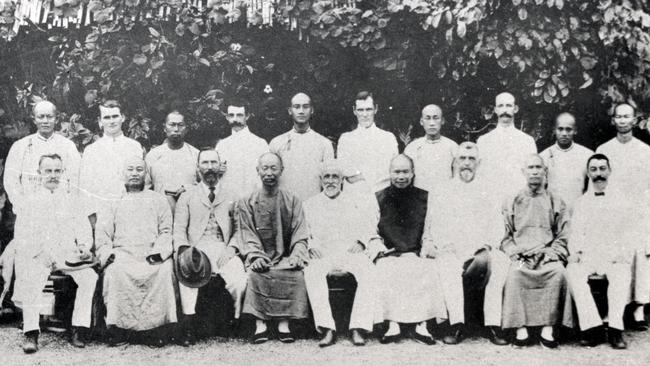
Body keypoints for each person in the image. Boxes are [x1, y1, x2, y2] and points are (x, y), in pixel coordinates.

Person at [421, 142, 509, 345]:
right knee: (447, 265)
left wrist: (486, 245)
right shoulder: (443, 189)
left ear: (478, 163)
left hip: (482, 248)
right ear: (454, 162)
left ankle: (493, 324)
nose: (466, 163)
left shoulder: (489, 189)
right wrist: (445, 245)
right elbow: (434, 223)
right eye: (462, 159)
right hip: (452, 248)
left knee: (501, 263)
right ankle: (457, 324)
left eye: (471, 159)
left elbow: (497, 224)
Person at [11, 154, 97, 353]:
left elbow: (83, 230)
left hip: (67, 255)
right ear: (39, 172)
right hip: (39, 255)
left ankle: (78, 328)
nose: (52, 175)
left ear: (62, 172)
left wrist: (84, 246)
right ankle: (31, 332)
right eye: (48, 171)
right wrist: (39, 254)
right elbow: (22, 235)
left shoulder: (72, 199)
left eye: (57, 171)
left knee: (89, 277)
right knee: (32, 278)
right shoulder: (29, 201)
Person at [566, 154, 646, 349]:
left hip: (613, 254)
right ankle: (592, 327)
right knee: (572, 272)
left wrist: (623, 253)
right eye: (594, 169)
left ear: (609, 171)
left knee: (620, 272)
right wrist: (575, 253)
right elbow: (576, 232)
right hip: (589, 255)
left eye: (602, 168)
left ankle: (615, 329)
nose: (599, 173)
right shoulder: (581, 202)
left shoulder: (623, 201)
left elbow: (630, 232)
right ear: (588, 173)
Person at [96, 156, 176, 346]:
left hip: (151, 254)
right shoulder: (112, 201)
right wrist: (109, 253)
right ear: (123, 173)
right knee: (116, 272)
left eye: (139, 169)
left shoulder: (158, 200)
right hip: (122, 254)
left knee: (163, 271)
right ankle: (119, 330)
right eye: (130, 169)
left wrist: (158, 253)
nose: (134, 173)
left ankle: (154, 330)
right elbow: (103, 233)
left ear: (146, 174)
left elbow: (166, 231)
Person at [303, 159, 382, 347]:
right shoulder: (310, 204)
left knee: (369, 271)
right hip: (323, 253)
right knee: (312, 272)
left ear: (342, 181)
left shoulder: (354, 202)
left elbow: (367, 226)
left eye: (335, 177)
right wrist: (311, 245)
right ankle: (327, 328)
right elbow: (304, 231)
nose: (331, 181)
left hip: (349, 252)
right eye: (327, 177)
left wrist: (361, 241)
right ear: (321, 180)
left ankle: (358, 327)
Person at [173, 149, 247, 346]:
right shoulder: (187, 196)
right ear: (198, 168)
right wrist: (184, 251)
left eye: (213, 163)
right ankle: (188, 323)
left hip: (223, 247)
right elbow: (179, 229)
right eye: (205, 163)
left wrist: (232, 249)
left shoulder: (232, 194)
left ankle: (237, 320)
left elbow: (240, 229)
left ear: (220, 166)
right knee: (187, 275)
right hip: (196, 249)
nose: (209, 167)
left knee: (238, 280)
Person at [235, 152, 311, 344]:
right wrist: (255, 255)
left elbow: (299, 232)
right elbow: (247, 233)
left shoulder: (292, 199)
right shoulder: (246, 201)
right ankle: (260, 324)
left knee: (294, 272)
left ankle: (283, 323)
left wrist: (296, 254)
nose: (269, 173)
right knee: (256, 273)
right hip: (259, 255)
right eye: (265, 168)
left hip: (285, 256)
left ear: (281, 171)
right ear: (258, 171)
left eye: (274, 168)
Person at [501, 154, 573, 348]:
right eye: (530, 167)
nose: (534, 171)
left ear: (545, 171)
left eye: (538, 167)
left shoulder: (556, 199)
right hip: (522, 256)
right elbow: (505, 234)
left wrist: (555, 251)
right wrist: (513, 250)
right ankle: (520, 328)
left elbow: (564, 233)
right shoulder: (512, 199)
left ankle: (548, 327)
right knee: (515, 275)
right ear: (523, 172)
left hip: (547, 254)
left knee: (558, 273)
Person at [374, 154, 447, 345]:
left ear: (413, 173)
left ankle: (422, 325)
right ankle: (393, 324)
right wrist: (380, 248)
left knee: (427, 267)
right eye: (396, 171)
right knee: (386, 267)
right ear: (389, 173)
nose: (401, 176)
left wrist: (427, 245)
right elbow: (372, 229)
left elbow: (430, 228)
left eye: (405, 171)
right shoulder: (378, 197)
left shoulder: (425, 196)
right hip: (390, 253)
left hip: (416, 251)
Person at [596, 103, 650, 326]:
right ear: (613, 120)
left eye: (627, 116)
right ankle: (614, 308)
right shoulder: (604, 149)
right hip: (614, 212)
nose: (623, 120)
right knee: (616, 257)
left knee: (641, 258)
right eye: (618, 117)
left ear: (634, 120)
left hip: (639, 211)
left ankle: (639, 308)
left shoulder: (645, 151)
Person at [3, 101, 81, 213]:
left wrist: (69, 205)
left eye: (49, 117)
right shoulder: (20, 146)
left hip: (61, 210)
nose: (45, 121)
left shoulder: (68, 146)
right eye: (41, 117)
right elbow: (11, 181)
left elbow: (76, 178)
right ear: (34, 119)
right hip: (30, 211)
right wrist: (22, 205)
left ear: (56, 119)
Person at [79, 100, 145, 228]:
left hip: (130, 213)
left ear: (123, 118)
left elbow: (142, 182)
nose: (111, 121)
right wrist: (93, 219)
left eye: (115, 116)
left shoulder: (135, 147)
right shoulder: (91, 150)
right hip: (101, 216)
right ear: (100, 121)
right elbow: (85, 188)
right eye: (107, 117)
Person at [269, 93, 334, 201]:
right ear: (290, 110)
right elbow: (270, 178)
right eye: (296, 107)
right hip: (285, 206)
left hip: (315, 206)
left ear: (312, 110)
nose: (301, 111)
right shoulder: (277, 143)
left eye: (305, 106)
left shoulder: (324, 144)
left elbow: (330, 179)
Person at [477, 92, 537, 201]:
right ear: (495, 110)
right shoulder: (484, 141)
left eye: (508, 105)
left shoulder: (527, 141)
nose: (505, 110)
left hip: (519, 201)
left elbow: (532, 174)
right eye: (501, 106)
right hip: (492, 202)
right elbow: (480, 176)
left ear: (515, 108)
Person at [337, 91, 398, 193]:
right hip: (355, 198)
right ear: (354, 111)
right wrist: (377, 173)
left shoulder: (388, 138)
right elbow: (346, 172)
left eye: (368, 109)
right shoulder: (346, 139)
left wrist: (360, 176)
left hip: (382, 199)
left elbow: (393, 172)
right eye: (360, 110)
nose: (365, 114)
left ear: (376, 109)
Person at [145, 111, 199, 212]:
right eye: (172, 125)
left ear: (186, 129)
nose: (176, 129)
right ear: (165, 128)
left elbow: (204, 187)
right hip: (160, 212)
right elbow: (145, 189)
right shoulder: (153, 155)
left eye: (180, 125)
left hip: (189, 211)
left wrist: (188, 189)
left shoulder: (195, 154)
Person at [216, 98, 269, 198]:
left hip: (253, 201)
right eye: (231, 115)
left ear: (247, 116)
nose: (235, 119)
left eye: (239, 115)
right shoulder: (221, 146)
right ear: (227, 117)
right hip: (227, 202)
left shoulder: (260, 144)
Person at [540, 112, 593, 209]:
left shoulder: (587, 155)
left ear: (575, 131)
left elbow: (592, 187)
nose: (564, 133)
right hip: (553, 212)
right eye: (560, 129)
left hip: (579, 210)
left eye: (568, 129)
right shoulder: (544, 156)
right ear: (554, 130)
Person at [404, 104, 457, 193]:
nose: (432, 123)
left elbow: (457, 180)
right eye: (427, 118)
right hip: (420, 201)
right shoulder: (412, 148)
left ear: (442, 121)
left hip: (445, 198)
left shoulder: (453, 147)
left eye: (436, 118)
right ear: (421, 121)